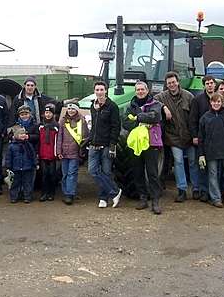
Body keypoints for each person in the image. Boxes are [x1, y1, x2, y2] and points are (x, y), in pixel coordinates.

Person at [123, 81, 164, 214]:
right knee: (137, 171)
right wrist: (142, 122)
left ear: (147, 90)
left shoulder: (155, 104)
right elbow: (125, 122)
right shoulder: (130, 105)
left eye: (142, 89)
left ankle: (155, 201)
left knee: (152, 172)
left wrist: (138, 117)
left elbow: (155, 116)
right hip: (136, 144)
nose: (140, 91)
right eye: (138, 89)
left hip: (151, 143)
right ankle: (143, 198)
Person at [154, 71, 195, 202]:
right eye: (169, 83)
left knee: (193, 162)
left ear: (178, 82)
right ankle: (182, 190)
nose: (172, 85)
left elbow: (194, 117)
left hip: (188, 135)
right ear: (166, 85)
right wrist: (164, 107)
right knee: (178, 161)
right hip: (173, 137)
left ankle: (197, 188)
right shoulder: (162, 97)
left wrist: (194, 135)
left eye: (173, 82)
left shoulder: (188, 96)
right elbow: (152, 101)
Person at [198, 92, 224, 208]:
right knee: (213, 176)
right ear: (210, 102)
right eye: (214, 101)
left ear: (222, 103)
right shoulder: (205, 118)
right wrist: (201, 155)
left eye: (218, 101)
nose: (216, 104)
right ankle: (216, 199)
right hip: (211, 152)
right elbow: (201, 138)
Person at [88, 80, 122, 209]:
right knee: (93, 170)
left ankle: (103, 198)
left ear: (106, 91)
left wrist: (112, 144)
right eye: (97, 90)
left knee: (106, 172)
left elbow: (115, 126)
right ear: (94, 91)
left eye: (102, 89)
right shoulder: (93, 106)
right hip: (94, 144)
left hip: (107, 144)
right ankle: (115, 192)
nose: (99, 92)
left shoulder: (112, 106)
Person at [189, 75, 217, 201]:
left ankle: (215, 192)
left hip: (217, 138)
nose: (210, 85)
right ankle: (203, 191)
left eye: (211, 83)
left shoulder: (219, 99)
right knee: (202, 165)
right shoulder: (197, 99)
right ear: (204, 85)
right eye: (207, 83)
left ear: (215, 85)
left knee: (215, 167)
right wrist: (194, 135)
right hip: (202, 137)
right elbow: (193, 119)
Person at [5, 105, 39, 204]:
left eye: (26, 113)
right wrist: (8, 166)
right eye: (22, 114)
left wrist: (28, 137)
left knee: (28, 181)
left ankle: (27, 196)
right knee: (15, 182)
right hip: (16, 163)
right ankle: (15, 196)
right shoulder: (15, 126)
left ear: (30, 114)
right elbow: (9, 155)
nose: (24, 116)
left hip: (28, 155)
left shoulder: (34, 125)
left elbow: (37, 137)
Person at [57, 103, 88, 205]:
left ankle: (70, 194)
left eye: (73, 109)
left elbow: (85, 136)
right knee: (65, 174)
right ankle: (66, 192)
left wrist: (82, 151)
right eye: (69, 108)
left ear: (77, 110)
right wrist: (58, 151)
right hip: (64, 152)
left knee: (72, 174)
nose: (71, 110)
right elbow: (59, 137)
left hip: (75, 152)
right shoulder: (62, 121)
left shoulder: (81, 120)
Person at [38, 104, 60, 201]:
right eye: (46, 112)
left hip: (52, 154)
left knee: (52, 174)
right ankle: (44, 193)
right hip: (43, 154)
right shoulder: (40, 126)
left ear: (53, 114)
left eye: (50, 113)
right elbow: (38, 140)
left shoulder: (56, 126)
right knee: (44, 174)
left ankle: (51, 193)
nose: (48, 115)